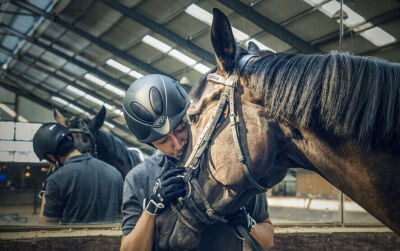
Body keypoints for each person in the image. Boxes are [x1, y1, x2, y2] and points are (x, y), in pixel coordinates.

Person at [120, 74, 274, 251]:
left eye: (180, 129)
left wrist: (247, 223)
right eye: (163, 142)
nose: (177, 144)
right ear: (150, 144)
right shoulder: (139, 179)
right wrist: (152, 208)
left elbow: (268, 239)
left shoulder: (236, 164)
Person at [32, 122, 123, 224]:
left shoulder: (56, 180)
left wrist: (46, 197)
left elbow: (46, 224)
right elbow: (121, 213)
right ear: (70, 139)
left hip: (74, 240)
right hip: (111, 239)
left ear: (50, 157)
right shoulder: (114, 173)